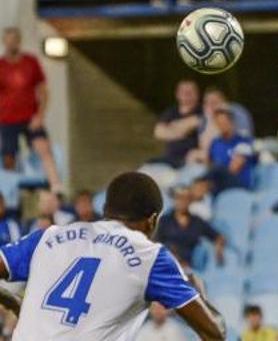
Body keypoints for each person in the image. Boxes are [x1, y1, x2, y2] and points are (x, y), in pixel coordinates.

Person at [0, 171, 225, 340]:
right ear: (153, 220)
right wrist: (200, 295)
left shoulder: (49, 236)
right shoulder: (150, 257)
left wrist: (13, 300)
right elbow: (215, 333)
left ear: (106, 209)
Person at [0, 27, 62, 193]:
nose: (11, 43)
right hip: (7, 119)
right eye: (8, 40)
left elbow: (43, 90)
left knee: (43, 148)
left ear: (18, 41)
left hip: (30, 117)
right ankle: (11, 193)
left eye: (14, 39)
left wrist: (40, 115)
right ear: (4, 41)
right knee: (8, 157)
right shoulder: (1, 65)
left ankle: (56, 187)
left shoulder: (30, 62)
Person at [155, 187, 225, 267]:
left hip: (191, 264)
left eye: (186, 198)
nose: (182, 202)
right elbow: (155, 244)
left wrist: (218, 249)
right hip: (167, 263)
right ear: (174, 200)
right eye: (179, 198)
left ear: (190, 201)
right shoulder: (164, 221)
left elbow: (218, 237)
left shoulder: (197, 222)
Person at [188, 87, 255, 164]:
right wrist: (211, 121)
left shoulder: (236, 112)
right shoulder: (205, 120)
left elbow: (244, 140)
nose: (211, 106)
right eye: (207, 103)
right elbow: (205, 148)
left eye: (214, 102)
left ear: (224, 103)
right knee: (192, 155)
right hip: (213, 159)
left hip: (234, 156)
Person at [153, 79, 202, 168]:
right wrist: (183, 129)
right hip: (169, 159)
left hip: (190, 161)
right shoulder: (171, 111)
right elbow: (158, 133)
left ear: (197, 94)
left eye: (190, 91)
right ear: (177, 94)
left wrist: (172, 127)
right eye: (183, 91)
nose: (187, 94)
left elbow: (196, 122)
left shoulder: (202, 111)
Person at [204, 108, 255, 194]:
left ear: (231, 122)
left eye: (224, 122)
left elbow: (234, 168)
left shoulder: (243, 141)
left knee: (216, 170)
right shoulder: (215, 143)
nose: (222, 126)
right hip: (217, 182)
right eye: (219, 123)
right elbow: (208, 163)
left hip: (238, 183)